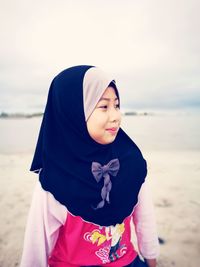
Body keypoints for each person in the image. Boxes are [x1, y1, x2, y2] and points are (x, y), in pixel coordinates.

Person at [20, 65, 159, 267]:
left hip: (126, 261)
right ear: (73, 112)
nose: (116, 116)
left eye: (117, 105)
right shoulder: (55, 178)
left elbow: (145, 220)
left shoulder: (131, 161)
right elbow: (36, 246)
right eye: (104, 106)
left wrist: (151, 259)